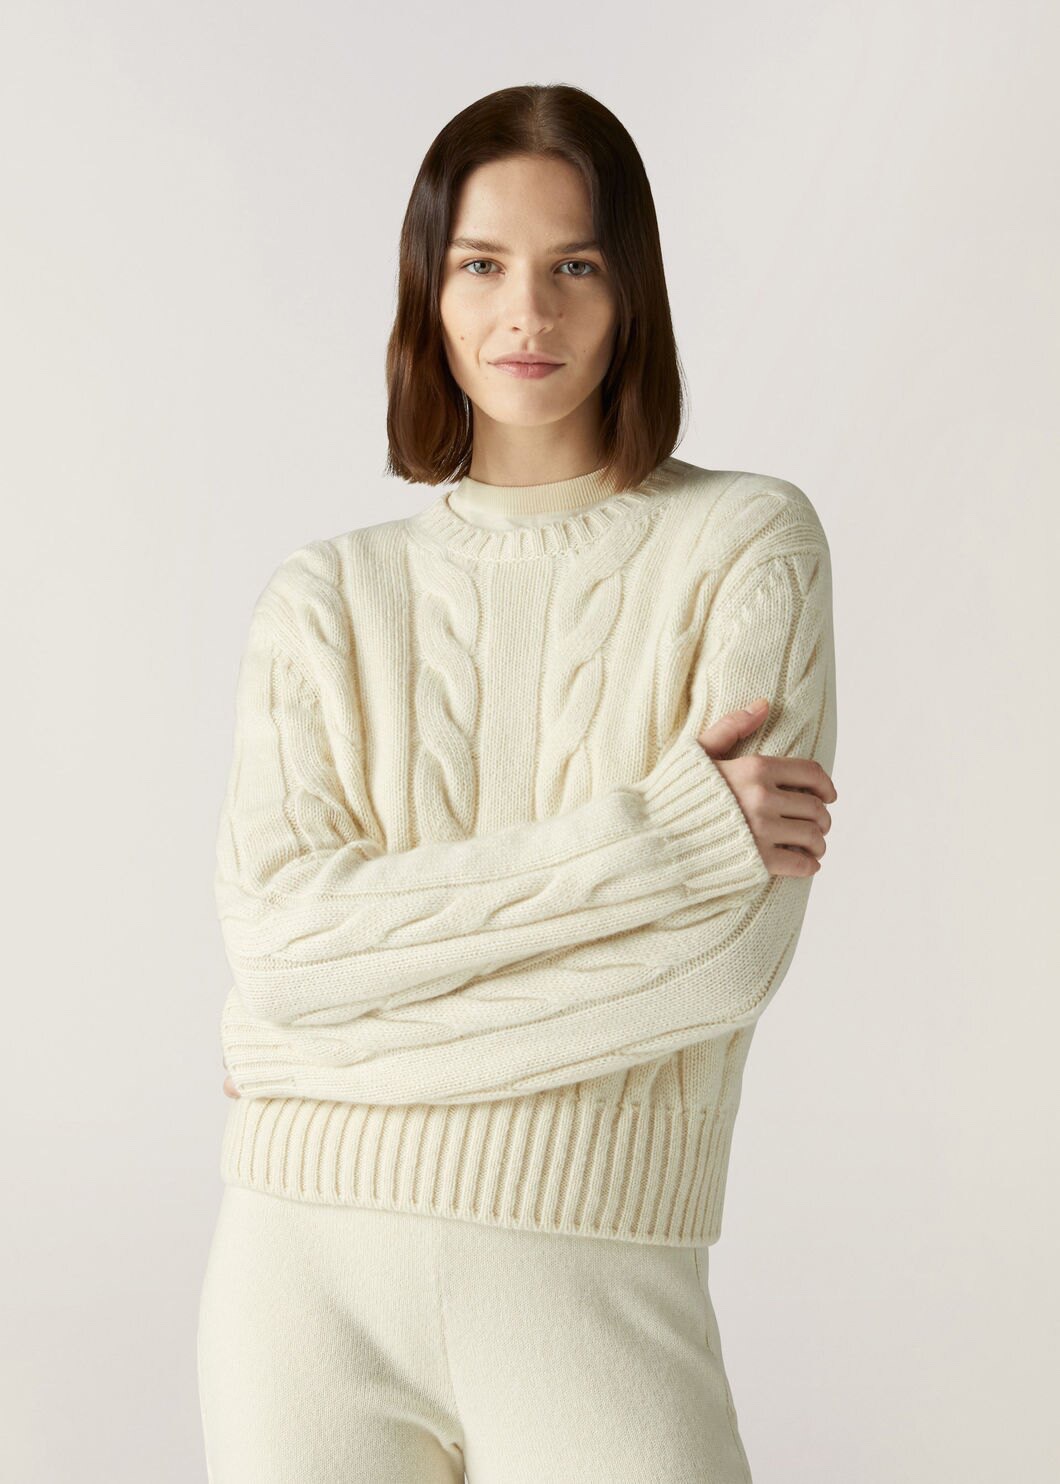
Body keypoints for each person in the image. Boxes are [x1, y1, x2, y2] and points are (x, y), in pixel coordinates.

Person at [196, 82, 838, 1484]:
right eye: (482, 265)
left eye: (575, 266)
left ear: (632, 290)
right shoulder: (326, 601)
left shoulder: (746, 544)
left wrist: (306, 1054)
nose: (527, 314)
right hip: (301, 1280)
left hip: (600, 1283)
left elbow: (719, 957)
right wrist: (663, 840)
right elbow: (283, 948)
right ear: (429, 293)